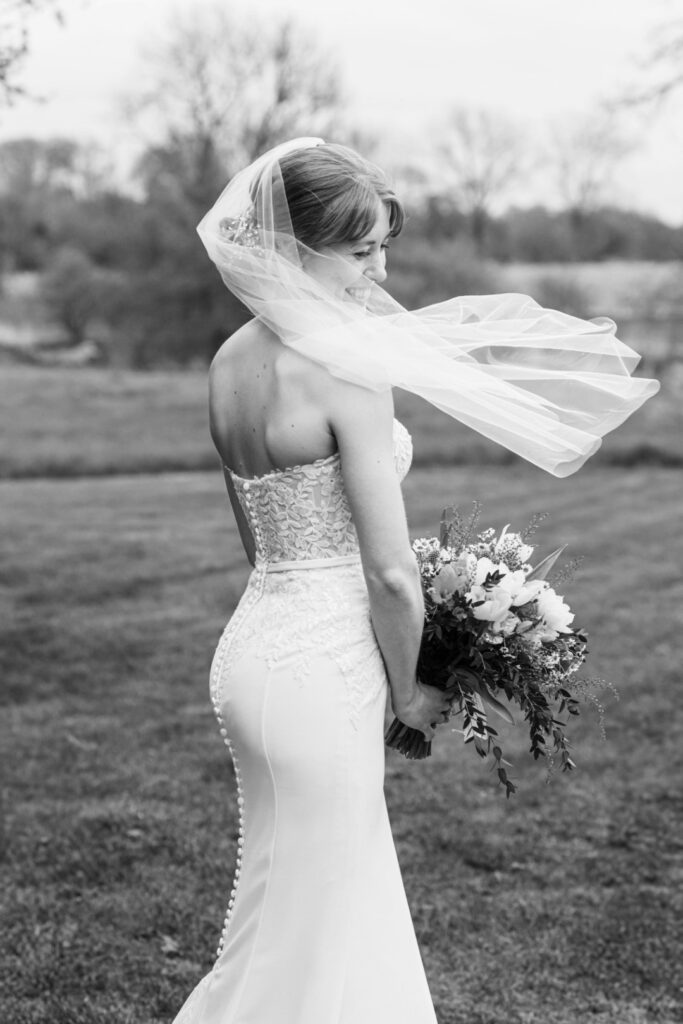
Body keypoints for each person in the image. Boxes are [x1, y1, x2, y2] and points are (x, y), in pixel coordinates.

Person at [172, 139, 658, 1024]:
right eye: (359, 251)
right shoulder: (342, 369)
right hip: (326, 668)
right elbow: (390, 572)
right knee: (329, 904)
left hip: (253, 649)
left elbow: (260, 542)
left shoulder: (227, 362)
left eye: (380, 248)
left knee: (287, 903)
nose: (379, 270)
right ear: (293, 246)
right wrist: (409, 690)